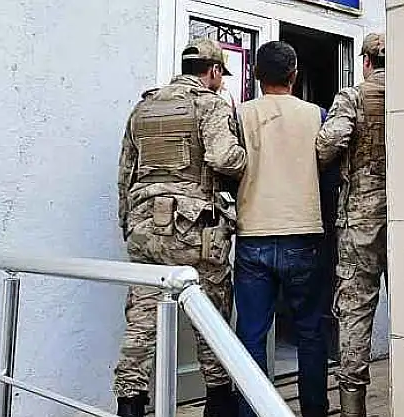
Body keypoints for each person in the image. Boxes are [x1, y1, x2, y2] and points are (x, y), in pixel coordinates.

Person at [114, 37, 245, 417]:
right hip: (194, 229)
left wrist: (128, 222)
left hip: (144, 227)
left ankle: (130, 403)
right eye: (221, 75)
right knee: (211, 316)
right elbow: (225, 159)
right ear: (214, 71)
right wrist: (245, 156)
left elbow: (126, 173)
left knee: (142, 318)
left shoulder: (144, 107)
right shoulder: (210, 104)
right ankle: (218, 402)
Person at [233, 41, 329, 417]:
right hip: (304, 233)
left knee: (251, 335)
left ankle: (252, 411)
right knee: (311, 332)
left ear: (257, 76)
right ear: (294, 75)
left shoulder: (240, 115)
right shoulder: (317, 115)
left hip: (253, 234)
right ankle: (315, 410)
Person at [315, 33, 387, 417]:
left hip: (360, 218)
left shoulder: (352, 97)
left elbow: (327, 145)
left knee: (356, 311)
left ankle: (352, 408)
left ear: (366, 62)